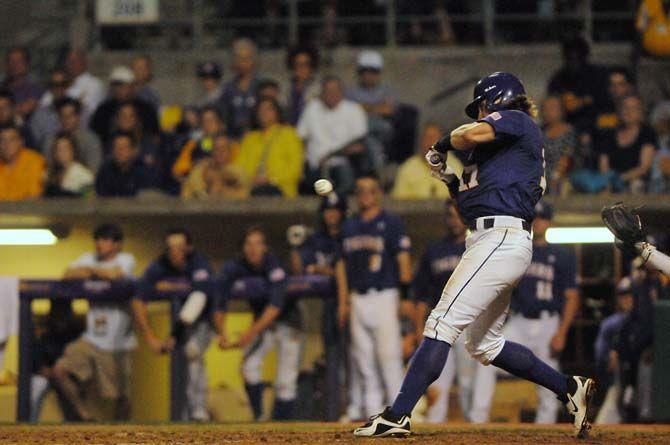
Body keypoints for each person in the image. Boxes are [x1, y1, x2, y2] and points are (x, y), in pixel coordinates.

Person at [355, 72, 594, 438]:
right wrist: (449, 179)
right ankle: (567, 387)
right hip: (490, 238)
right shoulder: (496, 155)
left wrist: (440, 144)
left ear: (498, 99)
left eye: (483, 106)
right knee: (484, 344)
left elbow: (465, 134)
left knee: (440, 324)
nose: (481, 113)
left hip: (500, 238)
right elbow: (469, 209)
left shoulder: (518, 119)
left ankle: (397, 415)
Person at [336, 174, 412, 419]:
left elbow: (403, 260)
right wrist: (344, 300)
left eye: (370, 190)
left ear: (378, 193)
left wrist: (405, 296)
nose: (365, 195)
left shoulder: (390, 222)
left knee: (388, 356)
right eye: (360, 190)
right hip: (358, 297)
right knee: (363, 359)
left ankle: (399, 412)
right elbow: (341, 265)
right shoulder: (349, 226)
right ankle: (373, 412)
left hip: (384, 294)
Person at [496, 201, 580, 424]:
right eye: (535, 218)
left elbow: (572, 297)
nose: (539, 223)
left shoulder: (563, 254)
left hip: (547, 322)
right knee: (487, 353)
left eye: (542, 218)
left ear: (549, 222)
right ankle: (477, 418)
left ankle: (545, 431)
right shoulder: (519, 250)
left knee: (549, 382)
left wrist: (562, 332)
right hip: (520, 321)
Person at [412, 199, 492, 424]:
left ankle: (473, 435)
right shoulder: (434, 250)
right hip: (442, 324)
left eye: (458, 214)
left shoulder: (480, 246)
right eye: (450, 215)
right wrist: (419, 329)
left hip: (470, 323)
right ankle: (433, 434)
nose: (454, 220)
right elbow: (421, 296)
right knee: (437, 384)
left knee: (467, 386)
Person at [216, 226, 302, 420]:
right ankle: (260, 418)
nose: (253, 248)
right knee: (249, 366)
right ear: (243, 248)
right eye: (249, 244)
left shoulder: (275, 265)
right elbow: (220, 299)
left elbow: (275, 306)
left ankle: (284, 431)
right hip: (263, 327)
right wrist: (221, 332)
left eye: (258, 243)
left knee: (285, 381)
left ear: (265, 247)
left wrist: (250, 333)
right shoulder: (236, 266)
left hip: (289, 323)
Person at [53, 224, 136, 421]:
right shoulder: (88, 258)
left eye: (106, 240)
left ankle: (122, 433)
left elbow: (115, 274)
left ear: (117, 244)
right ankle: (85, 417)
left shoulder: (126, 259)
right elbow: (67, 274)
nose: (100, 244)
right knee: (60, 370)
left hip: (117, 342)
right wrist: (96, 270)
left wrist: (90, 272)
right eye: (98, 240)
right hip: (91, 338)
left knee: (121, 396)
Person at [132, 228, 217, 421]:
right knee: (184, 361)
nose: (175, 252)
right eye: (171, 247)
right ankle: (188, 415)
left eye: (179, 247)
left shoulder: (199, 262)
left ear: (189, 247)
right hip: (179, 324)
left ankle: (198, 412)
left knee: (193, 353)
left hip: (203, 320)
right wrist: (150, 337)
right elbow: (138, 300)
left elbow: (199, 299)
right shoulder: (160, 264)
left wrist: (173, 336)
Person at [289, 192, 347, 421]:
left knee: (351, 360)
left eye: (335, 210)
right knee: (324, 360)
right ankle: (328, 414)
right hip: (323, 305)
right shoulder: (316, 240)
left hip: (350, 301)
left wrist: (323, 270)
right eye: (327, 210)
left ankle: (352, 410)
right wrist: (294, 246)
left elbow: (345, 271)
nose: (331, 215)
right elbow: (300, 270)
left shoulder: (348, 235)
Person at [297, 76, 368, 194]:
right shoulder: (312, 108)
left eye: (335, 90)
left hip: (343, 163)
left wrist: (330, 155)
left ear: (342, 92)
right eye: (327, 91)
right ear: (322, 93)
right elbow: (301, 137)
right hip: (315, 166)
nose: (331, 94)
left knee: (344, 179)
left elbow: (359, 145)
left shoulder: (354, 110)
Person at [235, 98, 304, 197]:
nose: (264, 113)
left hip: (281, 192)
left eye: (268, 109)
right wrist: (251, 180)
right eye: (260, 110)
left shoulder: (289, 134)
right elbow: (239, 168)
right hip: (250, 190)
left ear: (277, 112)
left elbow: (296, 169)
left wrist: (271, 179)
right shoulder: (249, 139)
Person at [347, 50, 396, 172]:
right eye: (365, 71)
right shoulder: (351, 91)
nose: (369, 75)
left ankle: (371, 172)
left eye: (373, 71)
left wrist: (364, 108)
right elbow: (349, 112)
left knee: (371, 131)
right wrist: (376, 107)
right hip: (358, 132)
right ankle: (378, 172)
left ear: (379, 73)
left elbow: (388, 110)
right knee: (370, 141)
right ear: (360, 73)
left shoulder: (386, 89)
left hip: (382, 130)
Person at [547, 37, 610, 131]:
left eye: (578, 57)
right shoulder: (557, 80)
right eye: (570, 58)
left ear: (585, 56)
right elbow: (551, 108)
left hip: (598, 126)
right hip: (567, 128)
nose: (574, 62)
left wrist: (582, 102)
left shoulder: (599, 75)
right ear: (564, 57)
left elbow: (607, 104)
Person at [597, 95, 657, 193]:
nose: (628, 111)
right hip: (610, 185)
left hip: (636, 185)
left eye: (634, 108)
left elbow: (644, 167)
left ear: (641, 112)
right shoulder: (609, 135)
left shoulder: (647, 134)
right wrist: (611, 181)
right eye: (625, 107)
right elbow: (604, 167)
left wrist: (620, 179)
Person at [89, 66, 159, 146]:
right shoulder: (104, 110)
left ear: (133, 87)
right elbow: (94, 136)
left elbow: (155, 135)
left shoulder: (146, 109)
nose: (122, 89)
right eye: (118, 86)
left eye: (125, 85)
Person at [392, 123, 456, 199]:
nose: (431, 143)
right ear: (421, 142)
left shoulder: (455, 166)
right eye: (427, 138)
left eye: (435, 138)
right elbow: (399, 201)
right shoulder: (408, 168)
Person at [173, 106, 235, 182]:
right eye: (204, 121)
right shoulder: (194, 144)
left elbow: (236, 172)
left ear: (220, 123)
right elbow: (178, 171)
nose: (207, 125)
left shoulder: (232, 145)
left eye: (211, 121)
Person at [181, 133, 250, 199]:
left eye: (223, 149)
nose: (220, 152)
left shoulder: (239, 171)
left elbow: (241, 181)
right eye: (216, 149)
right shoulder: (200, 171)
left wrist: (219, 175)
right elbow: (187, 193)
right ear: (212, 152)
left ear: (229, 152)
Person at [44, 98, 102, 171]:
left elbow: (94, 169)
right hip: (56, 179)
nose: (66, 119)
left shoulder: (91, 140)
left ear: (78, 117)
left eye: (70, 115)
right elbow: (47, 167)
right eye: (62, 115)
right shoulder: (50, 139)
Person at [217, 39, 260, 138]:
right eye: (239, 58)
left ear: (254, 60)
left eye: (247, 58)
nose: (243, 63)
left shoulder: (261, 86)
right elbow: (223, 117)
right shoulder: (227, 89)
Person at [94, 131, 158, 197]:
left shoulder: (145, 172)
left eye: (123, 148)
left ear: (133, 150)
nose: (119, 151)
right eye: (116, 148)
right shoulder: (105, 171)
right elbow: (100, 197)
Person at [540, 96, 578, 195]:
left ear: (561, 111)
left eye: (552, 108)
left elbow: (566, 158)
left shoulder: (569, 132)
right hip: (541, 175)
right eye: (545, 108)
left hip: (562, 176)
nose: (548, 112)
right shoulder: (538, 132)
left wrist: (556, 176)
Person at [0, 124, 46, 200]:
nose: (6, 144)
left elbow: (34, 196)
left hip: (27, 209)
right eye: (2, 140)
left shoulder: (34, 161)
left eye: (12, 139)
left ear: (20, 142)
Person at [28, 69, 70, 150]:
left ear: (68, 85)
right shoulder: (39, 115)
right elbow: (36, 145)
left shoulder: (80, 110)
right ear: (49, 87)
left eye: (62, 84)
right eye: (54, 85)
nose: (59, 88)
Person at [45, 132, 94, 197]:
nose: (61, 153)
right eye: (58, 149)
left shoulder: (84, 175)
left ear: (73, 151)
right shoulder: (49, 174)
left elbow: (89, 200)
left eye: (65, 149)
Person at [64, 49, 105, 125]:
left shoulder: (94, 83)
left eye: (75, 61)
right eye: (69, 62)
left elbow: (86, 111)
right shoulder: (61, 83)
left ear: (84, 62)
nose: (71, 65)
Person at [1, 47, 43, 120]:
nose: (14, 65)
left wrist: (7, 110)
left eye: (19, 61)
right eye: (11, 61)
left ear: (27, 64)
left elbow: (27, 108)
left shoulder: (34, 85)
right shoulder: (2, 84)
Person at [283, 46, 321, 125]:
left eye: (305, 64)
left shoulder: (319, 89)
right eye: (298, 64)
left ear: (312, 66)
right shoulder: (286, 88)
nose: (301, 68)